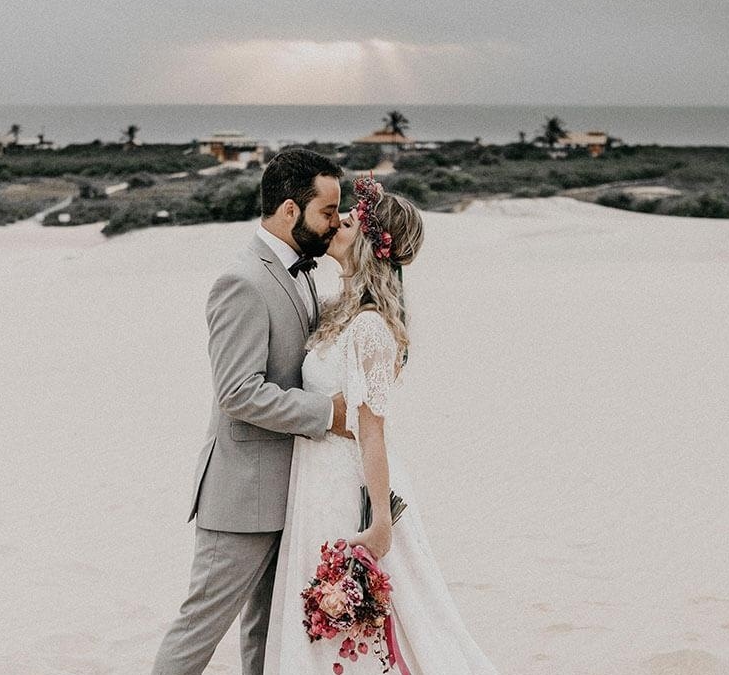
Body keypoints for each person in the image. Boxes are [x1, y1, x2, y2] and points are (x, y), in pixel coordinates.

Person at [264, 178, 498, 673]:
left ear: (369, 243)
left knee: (361, 622)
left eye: (347, 222)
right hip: (313, 479)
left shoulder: (370, 326)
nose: (336, 223)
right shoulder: (337, 311)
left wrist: (381, 524)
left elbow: (372, 431)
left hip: (346, 486)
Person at [151, 149, 354, 675]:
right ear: (291, 210)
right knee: (198, 632)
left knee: (267, 633)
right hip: (241, 495)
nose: (335, 222)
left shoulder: (303, 271)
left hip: (292, 490)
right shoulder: (242, 280)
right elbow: (237, 392)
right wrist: (326, 415)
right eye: (327, 212)